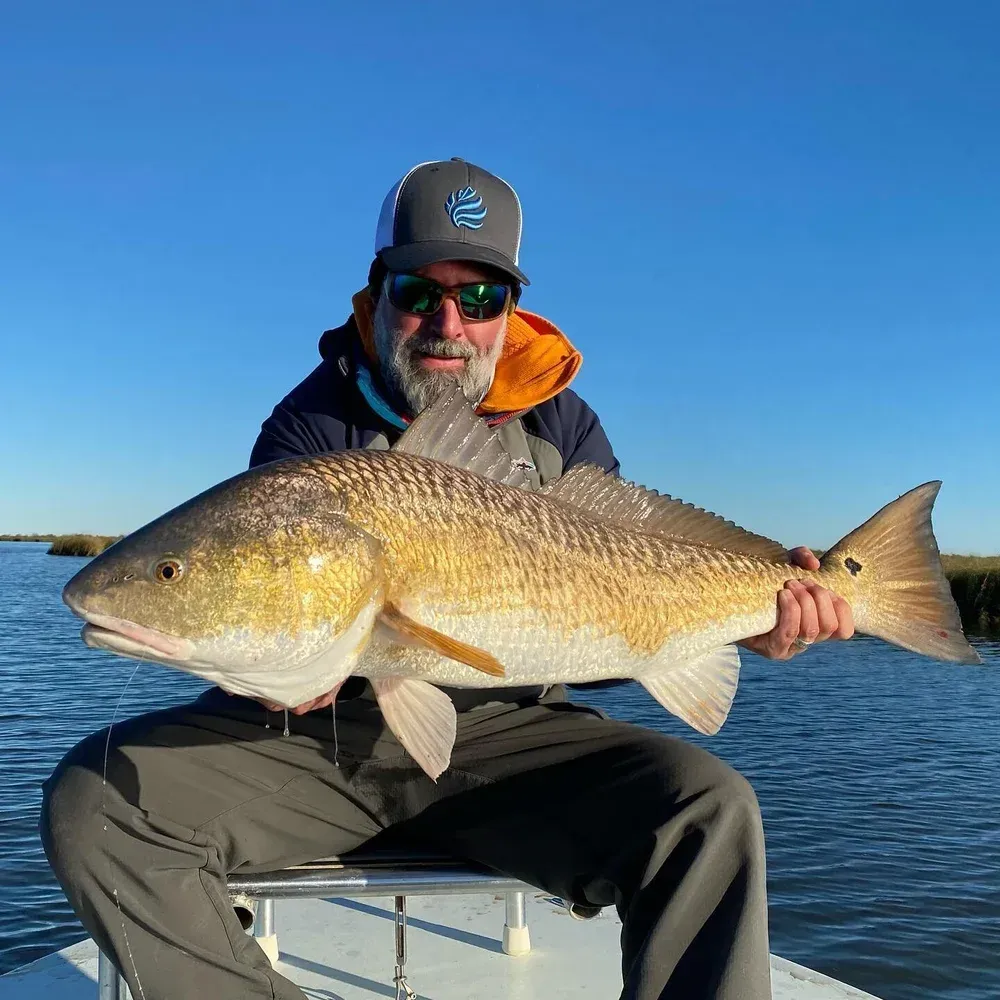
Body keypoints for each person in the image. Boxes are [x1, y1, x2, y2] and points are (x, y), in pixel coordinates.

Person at [41, 158, 854, 1000]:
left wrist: (746, 618)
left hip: (515, 741)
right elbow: (276, 626)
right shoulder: (308, 426)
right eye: (419, 293)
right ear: (378, 292)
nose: (448, 324)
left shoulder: (564, 427)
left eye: (480, 299)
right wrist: (285, 681)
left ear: (511, 310)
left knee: (710, 811)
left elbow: (601, 638)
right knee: (94, 802)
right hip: (325, 746)